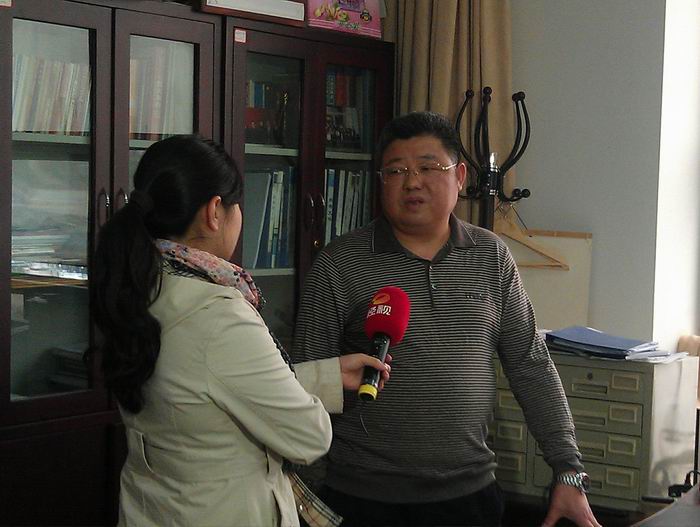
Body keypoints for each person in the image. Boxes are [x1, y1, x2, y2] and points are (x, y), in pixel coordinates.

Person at [292, 112, 601, 527]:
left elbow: (530, 364)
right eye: (396, 171)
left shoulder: (491, 256)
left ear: (459, 176)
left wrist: (567, 468)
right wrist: (309, 495)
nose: (412, 182)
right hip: (361, 498)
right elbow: (305, 383)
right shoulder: (339, 264)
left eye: (427, 167)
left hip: (469, 497)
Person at [91, 135, 390, 527]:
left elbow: (209, 389)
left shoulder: (141, 287)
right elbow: (308, 436)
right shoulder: (218, 314)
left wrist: (325, 377)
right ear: (215, 211)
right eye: (237, 205)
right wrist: (308, 400)